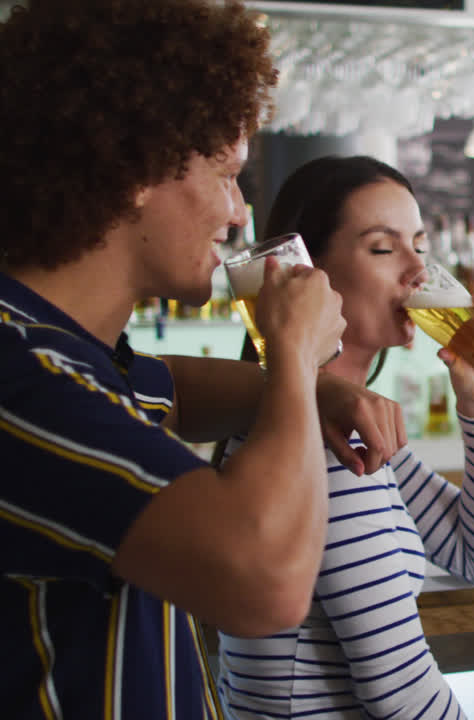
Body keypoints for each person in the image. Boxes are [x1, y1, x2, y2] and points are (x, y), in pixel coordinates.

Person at [0, 2, 408, 717]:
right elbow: (265, 586)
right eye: (226, 174)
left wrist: (320, 392)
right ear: (137, 166)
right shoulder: (22, 376)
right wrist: (293, 359)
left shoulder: (74, 354)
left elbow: (177, 390)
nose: (240, 212)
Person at [216, 156, 474, 719]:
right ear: (306, 276)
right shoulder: (323, 445)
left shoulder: (345, 428)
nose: (418, 269)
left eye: (420, 245)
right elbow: (400, 691)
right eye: (383, 248)